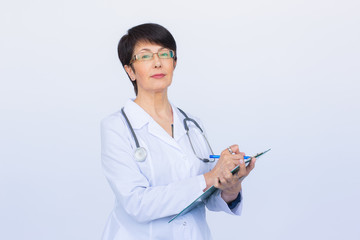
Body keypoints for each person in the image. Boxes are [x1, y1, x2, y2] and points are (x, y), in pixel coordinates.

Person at [101, 23, 256, 240]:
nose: (157, 62)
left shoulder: (192, 125)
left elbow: (207, 195)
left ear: (174, 63)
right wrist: (211, 176)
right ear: (130, 71)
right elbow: (137, 204)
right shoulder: (116, 127)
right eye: (145, 56)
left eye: (164, 54)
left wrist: (230, 184)